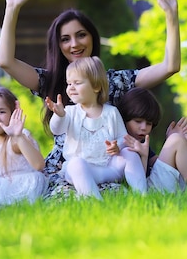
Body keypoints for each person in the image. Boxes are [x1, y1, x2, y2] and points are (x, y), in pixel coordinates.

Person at [0, 0, 180, 194]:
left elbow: (170, 66)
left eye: (81, 35)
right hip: (69, 167)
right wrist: (12, 9)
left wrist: (171, 16)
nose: (74, 44)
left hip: (111, 164)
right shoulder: (51, 82)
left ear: (92, 38)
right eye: (65, 39)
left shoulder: (115, 81)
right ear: (58, 45)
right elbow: (6, 61)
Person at [45, 57, 147, 199]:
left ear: (96, 87)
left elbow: (124, 138)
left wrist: (117, 146)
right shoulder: (69, 112)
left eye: (77, 83)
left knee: (130, 154)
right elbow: (56, 129)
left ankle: (142, 195)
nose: (71, 88)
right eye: (69, 84)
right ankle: (94, 201)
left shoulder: (111, 112)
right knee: (75, 164)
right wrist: (59, 115)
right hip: (80, 170)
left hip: (108, 168)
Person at [117, 87, 187, 192]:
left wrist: (170, 143)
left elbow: (157, 164)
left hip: (157, 183)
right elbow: (138, 184)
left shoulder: (140, 142)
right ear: (125, 119)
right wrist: (145, 156)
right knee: (176, 140)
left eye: (149, 123)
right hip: (147, 191)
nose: (144, 127)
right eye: (138, 121)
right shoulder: (121, 143)